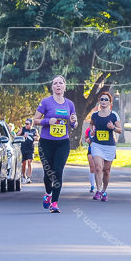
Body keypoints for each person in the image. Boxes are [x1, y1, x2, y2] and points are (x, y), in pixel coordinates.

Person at [32, 75, 78, 213]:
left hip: (62, 143)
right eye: (55, 83)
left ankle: (55, 203)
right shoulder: (46, 102)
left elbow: (73, 124)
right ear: (52, 86)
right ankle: (48, 193)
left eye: (60, 83)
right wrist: (47, 121)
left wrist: (74, 121)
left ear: (65, 86)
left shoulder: (70, 104)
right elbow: (35, 120)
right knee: (48, 172)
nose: (58, 85)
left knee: (58, 171)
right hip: (46, 142)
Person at [89, 91, 120, 201]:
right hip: (97, 144)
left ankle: (104, 191)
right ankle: (98, 190)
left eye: (106, 99)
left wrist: (113, 128)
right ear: (99, 101)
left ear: (110, 102)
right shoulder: (94, 115)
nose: (104, 101)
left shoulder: (114, 115)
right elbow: (91, 124)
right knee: (98, 167)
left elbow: (120, 130)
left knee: (106, 171)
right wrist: (92, 130)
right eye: (102, 99)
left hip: (109, 146)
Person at [19, 118, 37, 184]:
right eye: (25, 123)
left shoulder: (34, 130)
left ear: (31, 124)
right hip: (23, 148)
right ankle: (24, 176)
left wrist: (36, 137)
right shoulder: (23, 129)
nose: (26, 125)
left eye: (27, 124)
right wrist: (23, 136)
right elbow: (17, 135)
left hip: (30, 148)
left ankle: (29, 177)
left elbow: (38, 137)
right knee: (24, 163)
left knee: (29, 161)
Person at [83, 119, 97, 192]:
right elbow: (86, 138)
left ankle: (99, 185)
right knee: (92, 167)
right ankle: (92, 186)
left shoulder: (101, 128)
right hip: (91, 150)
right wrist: (87, 140)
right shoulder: (88, 129)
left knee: (98, 168)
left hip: (100, 151)